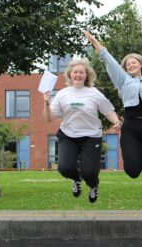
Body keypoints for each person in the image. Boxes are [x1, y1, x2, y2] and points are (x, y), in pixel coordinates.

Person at [84, 31, 142, 179]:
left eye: (133, 62)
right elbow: (109, 60)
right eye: (128, 64)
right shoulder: (123, 81)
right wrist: (94, 42)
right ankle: (135, 157)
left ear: (141, 64)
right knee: (133, 172)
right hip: (131, 128)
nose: (130, 65)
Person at [42, 58, 121, 203]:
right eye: (75, 72)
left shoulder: (94, 92)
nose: (78, 75)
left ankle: (93, 185)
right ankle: (76, 179)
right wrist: (46, 103)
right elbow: (49, 118)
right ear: (70, 75)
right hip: (68, 135)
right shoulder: (62, 93)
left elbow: (108, 110)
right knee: (65, 168)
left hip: (91, 137)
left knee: (90, 172)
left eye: (81, 72)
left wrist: (116, 121)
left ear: (87, 75)